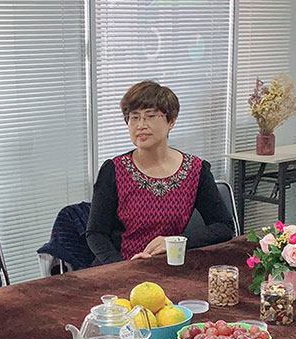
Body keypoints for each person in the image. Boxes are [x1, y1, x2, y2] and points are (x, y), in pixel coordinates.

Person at [85, 80, 234, 265]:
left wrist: (176, 242)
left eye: (150, 116)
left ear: (171, 121)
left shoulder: (195, 170)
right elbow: (96, 233)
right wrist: (123, 267)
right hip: (120, 265)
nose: (141, 125)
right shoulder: (114, 170)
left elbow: (224, 227)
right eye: (134, 117)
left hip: (170, 266)